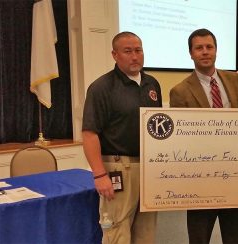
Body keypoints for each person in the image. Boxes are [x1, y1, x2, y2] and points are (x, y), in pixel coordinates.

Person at [169, 28, 238, 244]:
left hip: (236, 175)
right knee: (199, 238)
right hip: (201, 179)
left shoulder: (234, 79)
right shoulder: (179, 91)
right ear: (191, 53)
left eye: (209, 47)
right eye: (199, 48)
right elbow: (180, 138)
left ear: (216, 51)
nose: (205, 52)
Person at [82, 31, 162, 244]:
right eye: (128, 51)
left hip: (148, 168)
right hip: (119, 169)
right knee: (117, 232)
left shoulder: (152, 84)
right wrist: (99, 175)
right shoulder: (101, 88)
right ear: (115, 55)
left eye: (138, 50)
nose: (135, 56)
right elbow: (89, 134)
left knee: (146, 233)